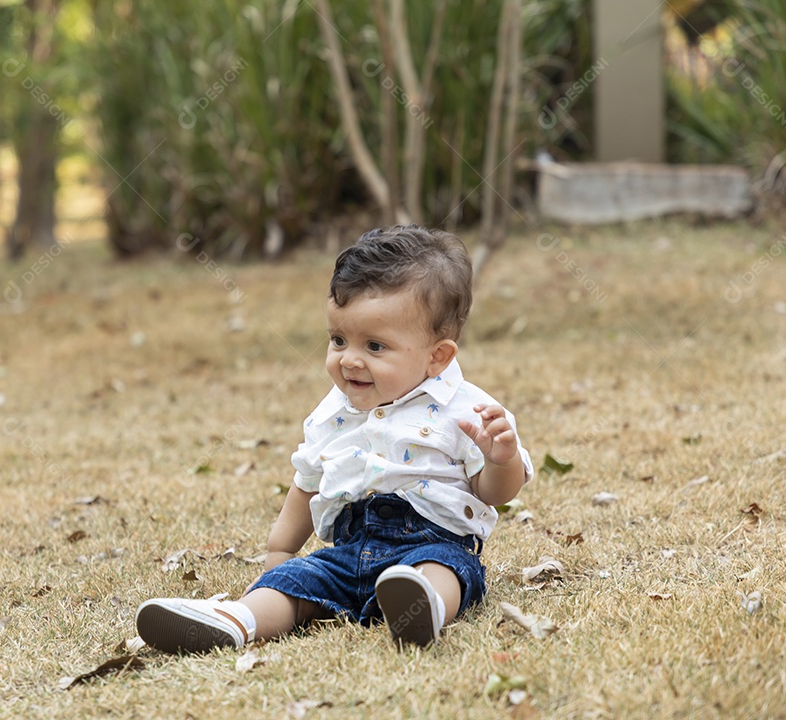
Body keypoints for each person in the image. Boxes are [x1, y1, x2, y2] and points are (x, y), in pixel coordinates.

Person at [136, 225, 534, 652]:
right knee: (297, 582)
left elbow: (494, 493)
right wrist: (279, 556)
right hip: (348, 552)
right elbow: (306, 483)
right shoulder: (333, 413)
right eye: (338, 340)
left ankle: (422, 607)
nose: (349, 360)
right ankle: (240, 619)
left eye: (375, 346)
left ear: (437, 356)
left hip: (432, 543)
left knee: (444, 570)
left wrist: (500, 460)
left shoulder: (467, 410)